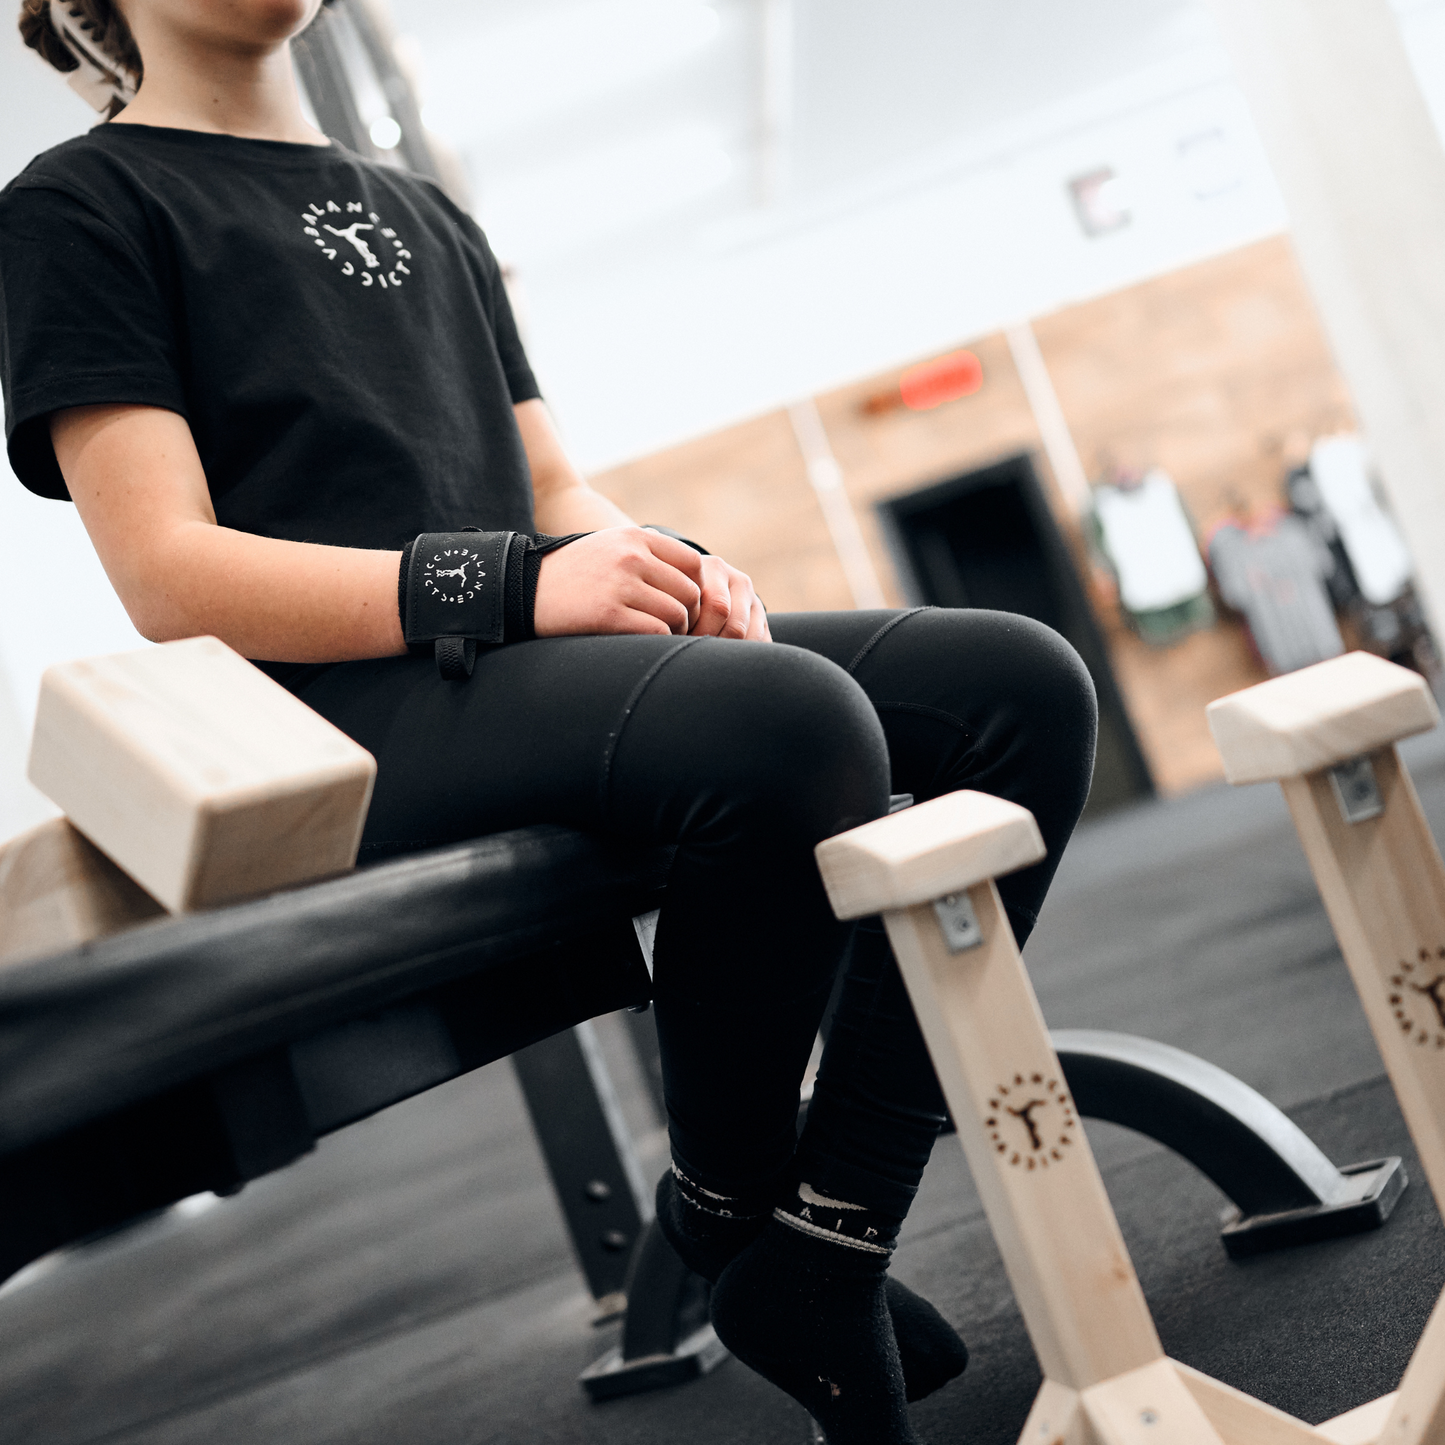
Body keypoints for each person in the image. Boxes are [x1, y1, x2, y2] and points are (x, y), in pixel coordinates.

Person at [1, 3, 1098, 1440]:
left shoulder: (421, 211)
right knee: (790, 728)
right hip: (338, 725)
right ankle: (720, 1211)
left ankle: (822, 1242)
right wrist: (520, 583)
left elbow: (554, 489)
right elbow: (169, 573)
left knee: (1017, 686)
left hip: (514, 669)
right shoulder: (78, 205)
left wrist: (673, 573)